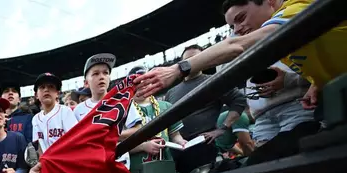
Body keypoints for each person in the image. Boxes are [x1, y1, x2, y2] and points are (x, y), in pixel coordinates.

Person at [136, 0, 347, 111]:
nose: (238, 29)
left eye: (241, 17)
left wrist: (179, 68)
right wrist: (316, 82)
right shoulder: (279, 46)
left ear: (270, 1)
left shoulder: (297, 6)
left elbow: (236, 46)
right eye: (232, 25)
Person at [74, 56, 143, 173]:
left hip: (117, 166)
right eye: (95, 73)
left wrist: (111, 134)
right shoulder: (79, 110)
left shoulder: (121, 101)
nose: (101, 77)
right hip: (91, 170)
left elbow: (138, 129)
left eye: (105, 72)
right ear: (86, 81)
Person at [163, 46, 247, 173]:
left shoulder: (214, 81)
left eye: (196, 59)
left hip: (202, 146)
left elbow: (239, 100)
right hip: (176, 149)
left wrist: (222, 128)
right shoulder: (171, 92)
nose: (190, 62)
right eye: (187, 60)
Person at [31, 73, 78, 154]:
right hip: (47, 163)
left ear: (57, 93)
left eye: (51, 87)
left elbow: (75, 140)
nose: (46, 90)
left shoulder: (65, 111)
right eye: (42, 87)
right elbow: (39, 147)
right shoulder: (35, 119)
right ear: (36, 95)